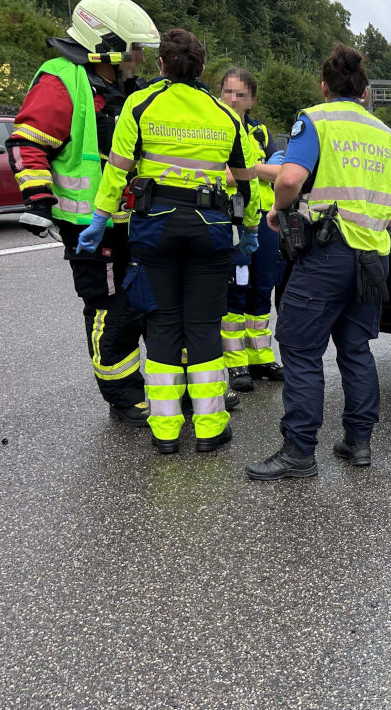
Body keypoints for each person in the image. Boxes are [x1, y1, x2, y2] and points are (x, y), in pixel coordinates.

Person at [245, 44, 391, 480]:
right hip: (371, 259)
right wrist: (380, 228)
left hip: (327, 254)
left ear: (324, 87)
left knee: (301, 349)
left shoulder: (316, 120)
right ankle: (358, 442)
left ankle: (299, 452)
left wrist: (278, 211)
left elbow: (289, 176)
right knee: (355, 349)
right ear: (365, 91)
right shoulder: (386, 135)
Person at [78, 28, 261, 455]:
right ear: (201, 68)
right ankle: (211, 428)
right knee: (202, 329)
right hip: (211, 233)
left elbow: (118, 170)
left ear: (161, 64)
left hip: (154, 230)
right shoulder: (224, 114)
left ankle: (164, 433)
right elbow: (248, 183)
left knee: (161, 326)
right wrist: (249, 229)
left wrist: (100, 219)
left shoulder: (140, 105)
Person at [6, 0, 160, 426]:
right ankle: (124, 397)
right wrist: (39, 202)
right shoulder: (64, 79)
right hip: (92, 228)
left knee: (150, 306)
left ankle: (164, 390)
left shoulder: (126, 87)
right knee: (112, 310)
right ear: (105, 44)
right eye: (134, 49)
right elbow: (27, 144)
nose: (139, 59)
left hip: (136, 222)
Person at [218, 67, 285, 393]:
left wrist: (250, 169)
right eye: (228, 91)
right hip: (233, 221)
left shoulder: (259, 132)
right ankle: (235, 362)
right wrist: (254, 172)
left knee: (262, 288)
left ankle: (260, 357)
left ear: (251, 99)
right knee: (237, 289)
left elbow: (280, 172)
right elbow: (218, 175)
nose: (233, 98)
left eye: (240, 94)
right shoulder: (214, 127)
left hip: (263, 221)